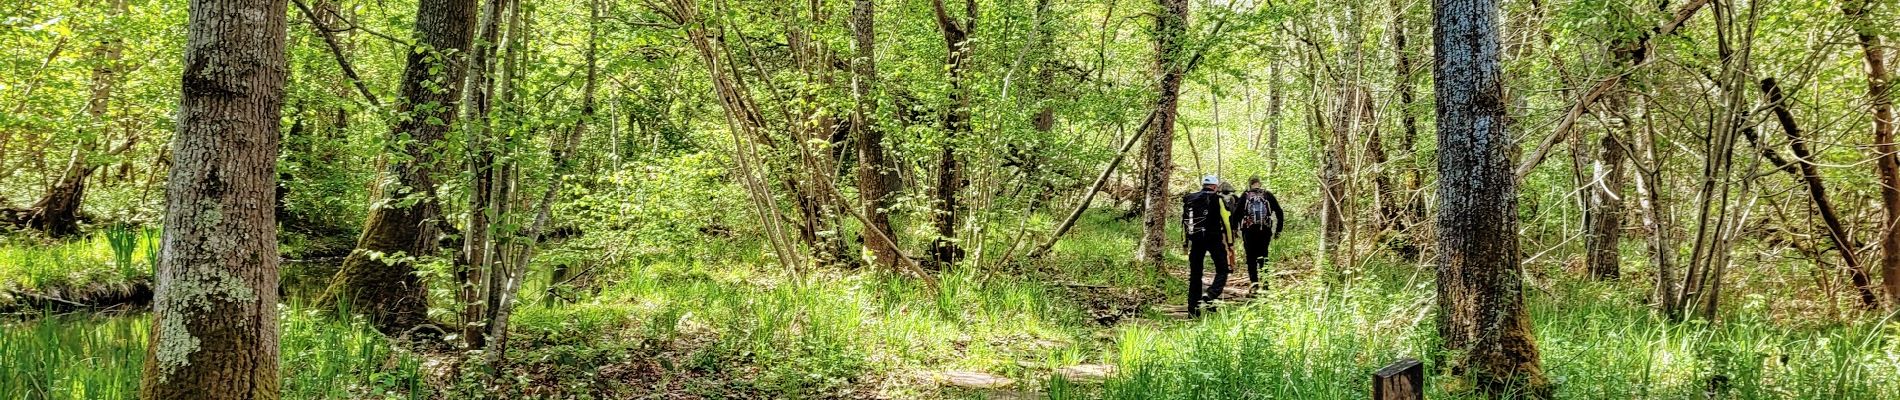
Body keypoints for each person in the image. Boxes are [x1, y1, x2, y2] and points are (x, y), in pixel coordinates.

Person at [1181, 175, 1241, 316]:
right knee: (1223, 270)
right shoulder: (1217, 199)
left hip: (1196, 241)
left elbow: (1185, 222)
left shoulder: (1190, 198)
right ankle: (1210, 295)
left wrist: (1185, 243)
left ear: (1203, 185)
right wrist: (1230, 243)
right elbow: (1226, 222)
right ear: (1215, 187)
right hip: (1214, 240)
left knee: (1195, 275)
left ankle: (1193, 311)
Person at [1238, 176, 1285, 293]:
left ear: (1250, 184)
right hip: (1265, 231)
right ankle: (1266, 285)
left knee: (1250, 257)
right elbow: (1279, 212)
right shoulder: (1268, 195)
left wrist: (1235, 229)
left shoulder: (1245, 195)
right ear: (1259, 184)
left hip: (1249, 232)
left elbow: (1236, 213)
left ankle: (1254, 285)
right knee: (1264, 256)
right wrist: (1278, 230)